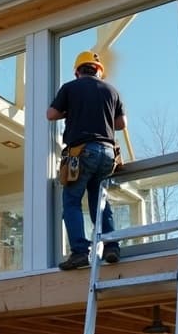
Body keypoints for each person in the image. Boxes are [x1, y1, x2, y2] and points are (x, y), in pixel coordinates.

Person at [47, 51, 126, 270]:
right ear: (99, 71)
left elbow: (51, 114)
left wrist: (72, 110)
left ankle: (80, 252)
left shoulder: (71, 88)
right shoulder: (112, 91)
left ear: (78, 71)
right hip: (108, 154)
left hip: (82, 152)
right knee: (99, 202)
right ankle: (111, 247)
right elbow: (121, 124)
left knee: (71, 202)